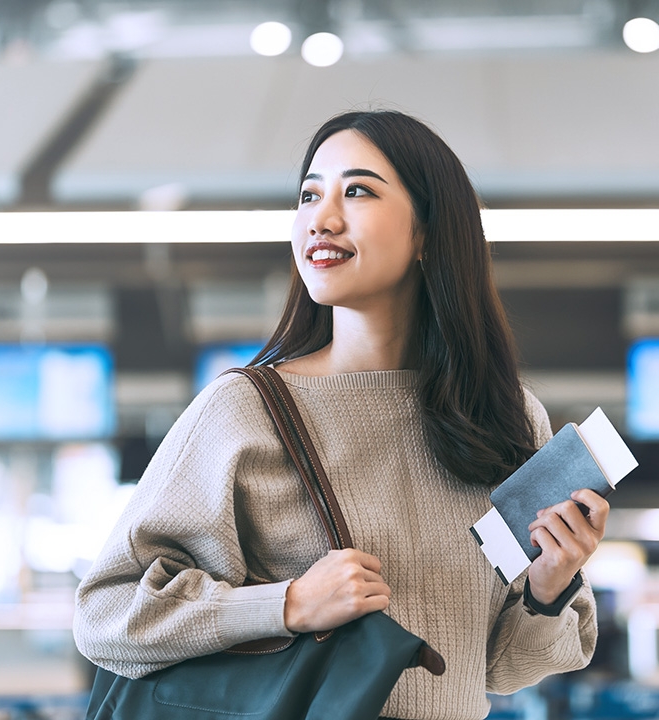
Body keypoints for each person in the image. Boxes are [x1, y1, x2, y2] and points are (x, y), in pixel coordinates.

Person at [73, 110, 608, 719]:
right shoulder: (244, 411)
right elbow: (104, 614)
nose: (321, 219)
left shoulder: (504, 418)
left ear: (428, 232)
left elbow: (500, 671)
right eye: (309, 195)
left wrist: (548, 587)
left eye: (357, 191)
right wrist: (290, 604)